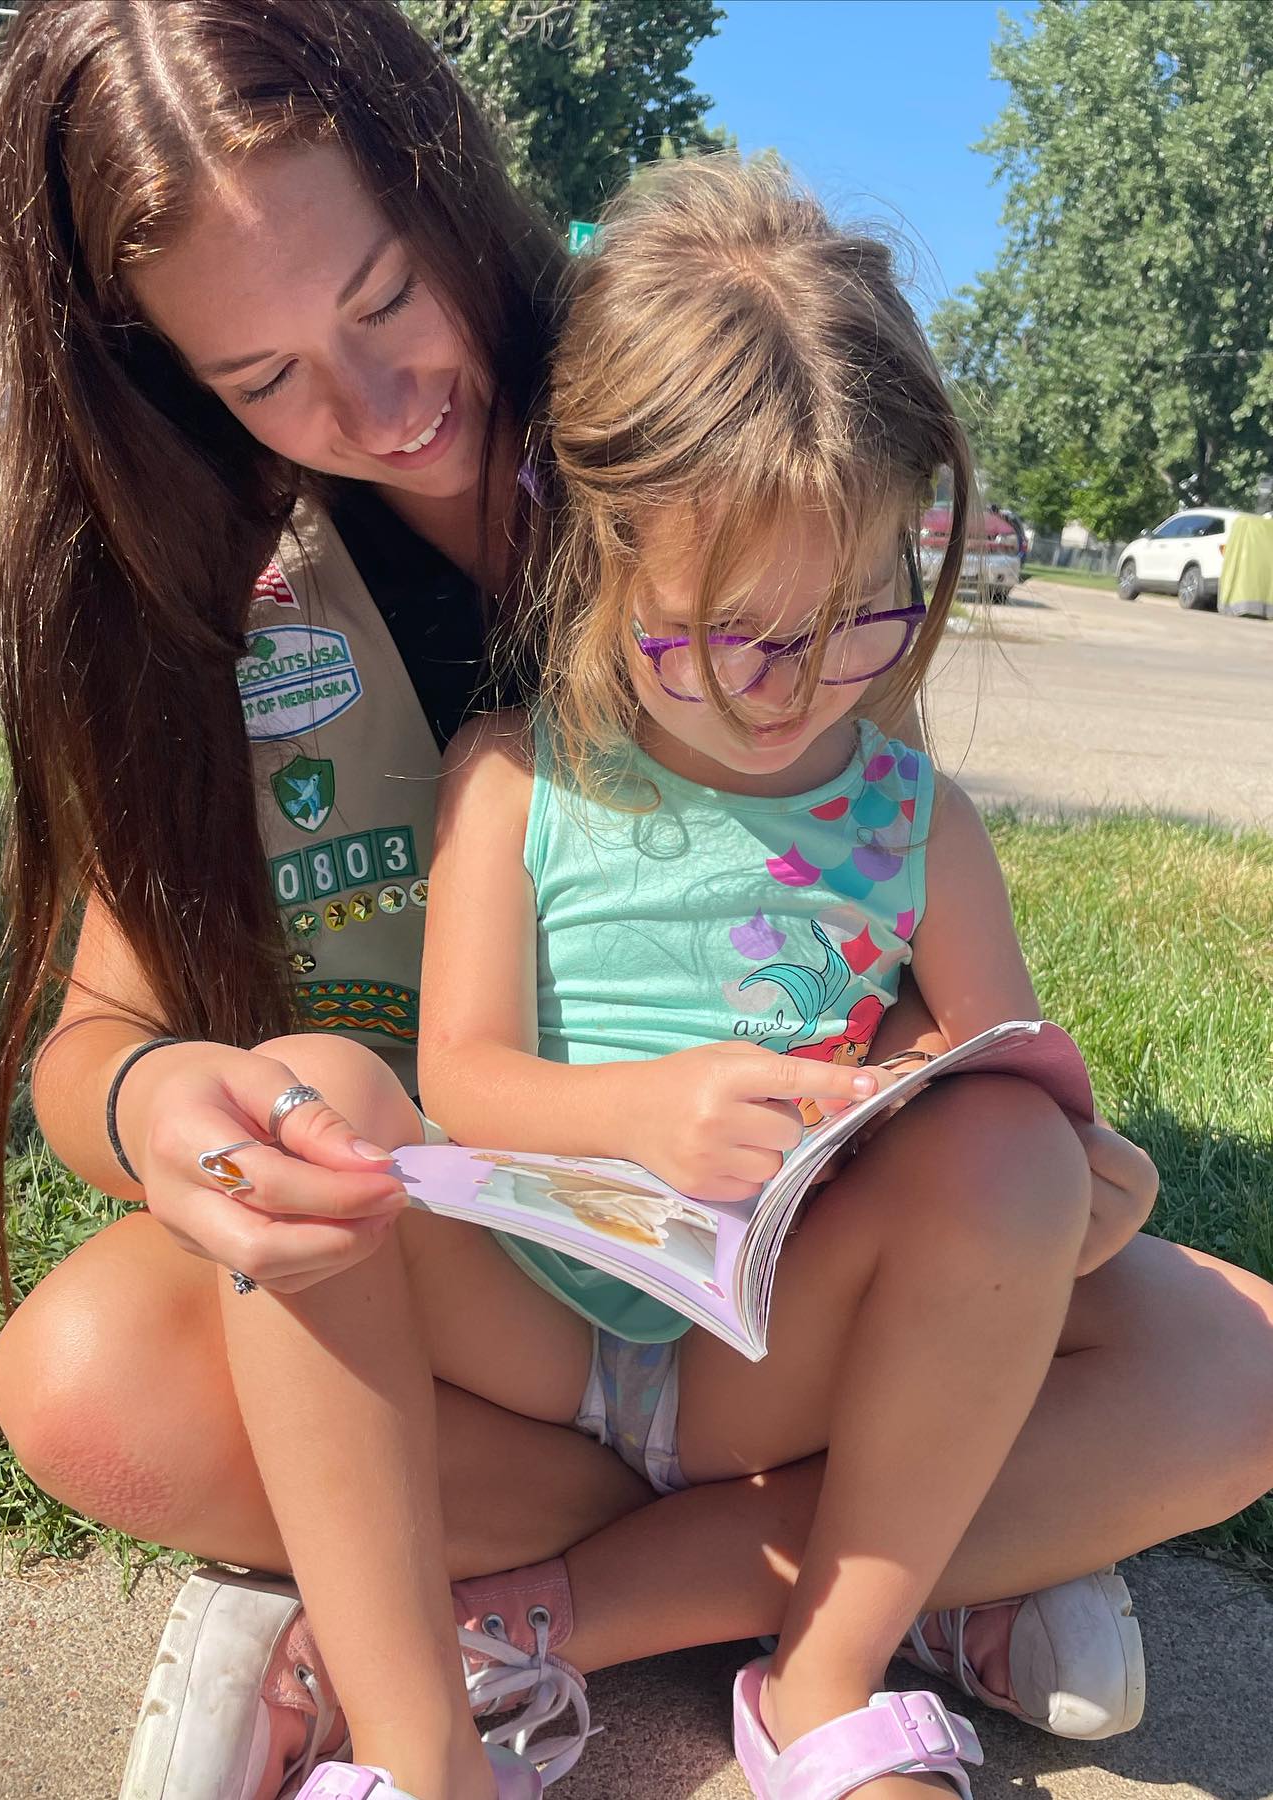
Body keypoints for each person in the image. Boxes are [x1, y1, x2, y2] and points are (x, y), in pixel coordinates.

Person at [0, 4, 1273, 1798]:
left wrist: (935, 1087)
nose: (371, 404)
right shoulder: (205, 580)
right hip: (450, 1285)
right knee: (87, 1382)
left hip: (777, 1287)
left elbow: (862, 874)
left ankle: (482, 1603)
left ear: (447, 180)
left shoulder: (682, 406)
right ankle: (923, 1557)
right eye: (259, 378)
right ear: (164, 378)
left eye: (382, 295)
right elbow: (94, 1040)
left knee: (1241, 1370)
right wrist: (155, 1107)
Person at [415, 153, 1142, 1799]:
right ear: (596, 555)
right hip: (523, 1342)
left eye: (863, 615)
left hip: (774, 1364)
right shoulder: (519, 778)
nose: (794, 691)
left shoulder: (918, 821)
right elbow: (456, 1077)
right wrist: (641, 1115)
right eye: (731, 633)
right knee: (317, 1152)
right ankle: (449, 1656)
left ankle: (819, 1681)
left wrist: (1082, 1191)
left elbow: (995, 1080)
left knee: (1022, 1165)